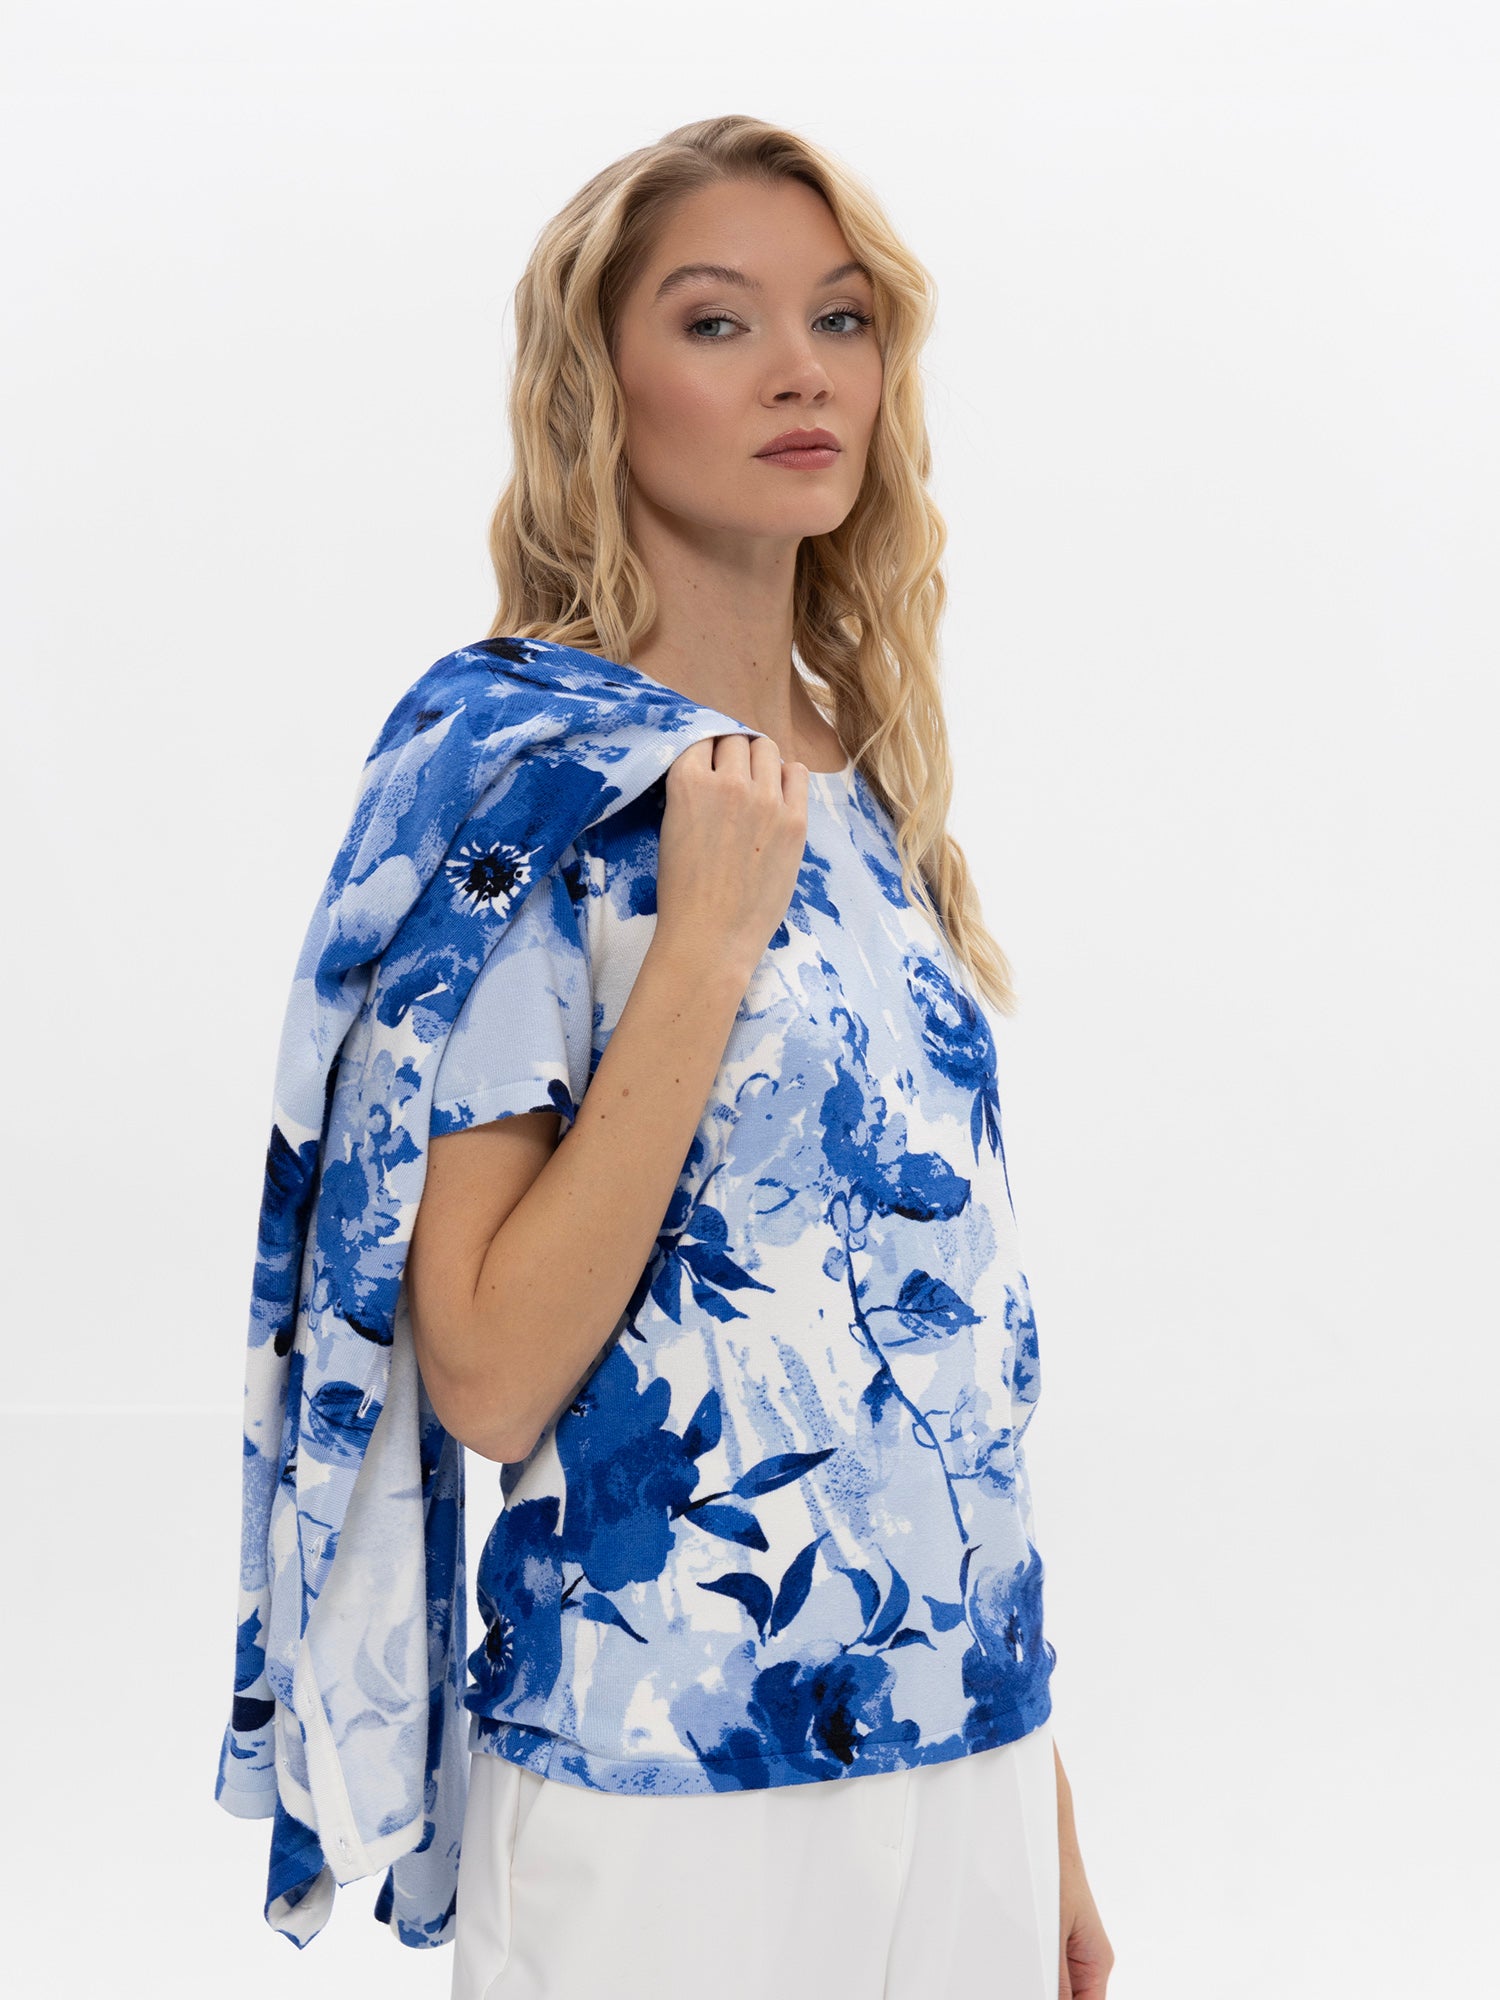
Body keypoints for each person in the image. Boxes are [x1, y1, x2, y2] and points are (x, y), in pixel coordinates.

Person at [401, 115, 1114, 2000]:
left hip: (960, 1754)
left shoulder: (868, 783)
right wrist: (704, 947)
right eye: (719, 321)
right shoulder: (525, 780)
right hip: (665, 1784)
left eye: (843, 317)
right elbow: (485, 1372)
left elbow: (929, 1356)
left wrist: (1036, 1795)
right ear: (597, 386)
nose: (805, 369)